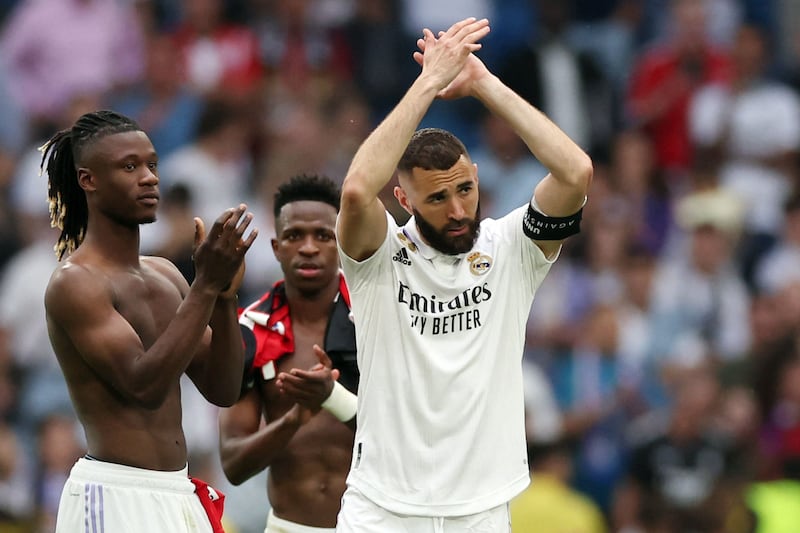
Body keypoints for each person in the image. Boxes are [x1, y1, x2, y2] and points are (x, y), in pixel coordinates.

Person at [335, 17, 593, 532]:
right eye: (436, 198)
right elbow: (358, 191)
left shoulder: (510, 248)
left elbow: (575, 171)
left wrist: (482, 84)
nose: (457, 210)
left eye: (464, 190)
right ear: (404, 199)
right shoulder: (377, 256)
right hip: (381, 509)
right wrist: (428, 83)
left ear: (476, 177)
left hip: (481, 512)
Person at [40, 110, 258, 533]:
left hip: (178, 492)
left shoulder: (166, 274)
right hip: (115, 494)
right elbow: (144, 385)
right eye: (129, 166)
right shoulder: (75, 283)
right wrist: (205, 286)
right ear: (89, 180)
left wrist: (224, 296)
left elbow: (224, 388)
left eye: (152, 165)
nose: (149, 177)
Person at [218, 174, 359, 532]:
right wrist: (295, 419)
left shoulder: (377, 320)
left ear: (341, 242)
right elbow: (233, 464)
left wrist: (333, 398)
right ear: (277, 247)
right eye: (295, 236)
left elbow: (408, 437)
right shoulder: (250, 331)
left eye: (323, 235)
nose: (309, 247)